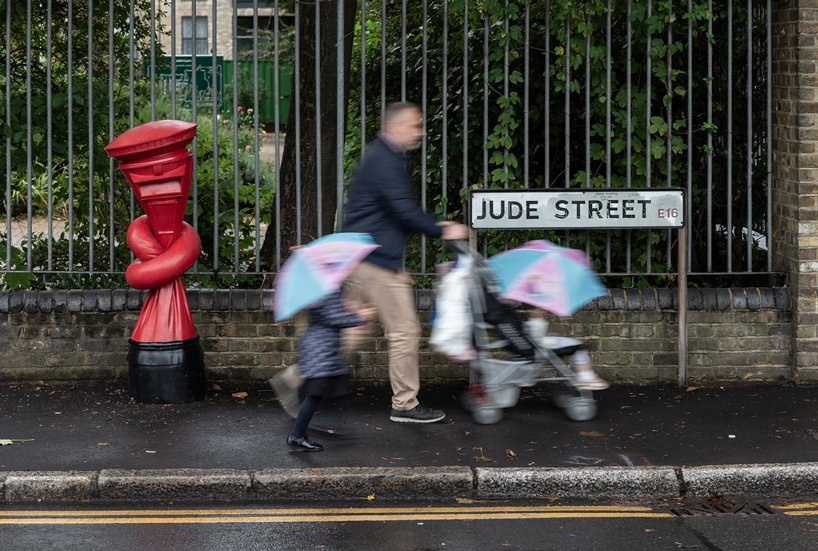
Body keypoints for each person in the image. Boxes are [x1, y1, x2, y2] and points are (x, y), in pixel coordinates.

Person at [341, 101, 469, 423]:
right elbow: (403, 209)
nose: (421, 132)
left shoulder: (383, 156)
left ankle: (300, 380)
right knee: (404, 331)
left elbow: (391, 211)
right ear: (395, 127)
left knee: (354, 329)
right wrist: (442, 228)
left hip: (365, 257)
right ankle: (405, 404)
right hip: (378, 261)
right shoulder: (385, 160)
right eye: (416, 125)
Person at [287, 289, 376, 452]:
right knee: (315, 394)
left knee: (337, 384)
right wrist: (361, 317)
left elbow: (330, 312)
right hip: (321, 349)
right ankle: (298, 435)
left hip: (323, 347)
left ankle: (330, 426)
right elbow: (334, 317)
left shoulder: (321, 286)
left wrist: (346, 307)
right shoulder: (327, 287)